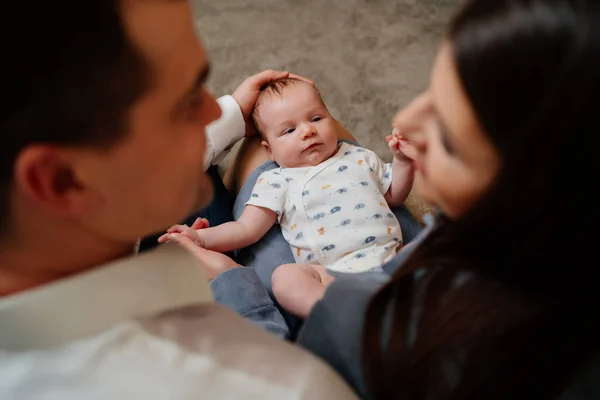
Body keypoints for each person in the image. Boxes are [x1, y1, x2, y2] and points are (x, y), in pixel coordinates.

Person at [171, 0, 600, 398]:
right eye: (430, 92)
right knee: (269, 239)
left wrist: (228, 276)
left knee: (201, 180)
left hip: (345, 283)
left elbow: (278, 379)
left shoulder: (412, 344)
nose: (405, 119)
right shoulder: (471, 255)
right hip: (343, 263)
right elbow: (251, 225)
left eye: (448, 137)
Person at [0, 1, 360, 398]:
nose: (213, 110)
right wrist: (234, 283)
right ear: (63, 181)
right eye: (186, 101)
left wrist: (232, 115)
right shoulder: (287, 385)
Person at [159, 78, 414, 318]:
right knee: (286, 278)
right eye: (289, 130)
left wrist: (402, 161)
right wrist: (201, 239)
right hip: (333, 276)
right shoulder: (276, 180)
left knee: (438, 243)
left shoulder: (359, 156)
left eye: (316, 118)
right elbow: (245, 229)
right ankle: (336, 313)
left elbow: (394, 195)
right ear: (269, 151)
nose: (307, 131)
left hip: (393, 257)